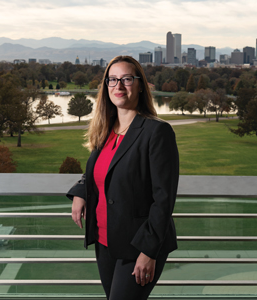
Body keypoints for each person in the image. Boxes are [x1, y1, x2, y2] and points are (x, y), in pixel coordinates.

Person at [67, 55, 179, 300]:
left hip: (139, 244)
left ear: (140, 85)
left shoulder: (157, 132)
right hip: (106, 242)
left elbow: (164, 199)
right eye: (112, 80)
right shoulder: (106, 130)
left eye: (127, 79)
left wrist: (149, 251)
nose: (118, 86)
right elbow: (100, 171)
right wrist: (80, 191)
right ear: (106, 87)